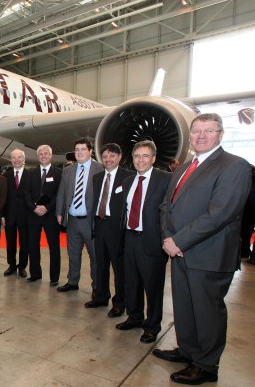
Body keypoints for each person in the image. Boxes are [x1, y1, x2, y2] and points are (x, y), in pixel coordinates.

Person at [154, 113, 251, 385]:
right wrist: (168, 238)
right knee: (185, 307)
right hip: (180, 251)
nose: (200, 136)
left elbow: (220, 213)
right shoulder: (185, 166)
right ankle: (187, 350)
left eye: (208, 130)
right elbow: (166, 206)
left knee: (207, 311)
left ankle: (206, 365)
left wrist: (179, 241)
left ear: (220, 134)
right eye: (196, 131)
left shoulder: (235, 166)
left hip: (208, 255)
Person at [115, 140, 170, 344]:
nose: (140, 160)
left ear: (153, 158)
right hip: (130, 239)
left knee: (153, 286)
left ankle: (152, 326)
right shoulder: (129, 181)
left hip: (152, 242)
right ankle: (134, 317)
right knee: (132, 283)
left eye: (145, 156)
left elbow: (170, 211)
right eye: (137, 156)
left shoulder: (165, 179)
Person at [86, 143, 133, 316]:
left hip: (117, 228)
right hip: (99, 224)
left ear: (119, 157)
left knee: (118, 268)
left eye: (112, 156)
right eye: (105, 156)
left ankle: (119, 303)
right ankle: (101, 296)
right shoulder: (97, 178)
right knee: (100, 264)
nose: (108, 159)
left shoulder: (128, 176)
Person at [56, 138, 103, 293]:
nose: (80, 152)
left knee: (95, 257)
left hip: (91, 222)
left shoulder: (100, 169)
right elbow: (61, 193)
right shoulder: (68, 170)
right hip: (72, 221)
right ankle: (72, 281)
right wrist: (59, 212)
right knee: (73, 254)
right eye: (77, 150)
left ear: (90, 151)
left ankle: (97, 286)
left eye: (83, 149)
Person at [24, 145, 62, 284]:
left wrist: (47, 207)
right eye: (40, 154)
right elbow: (26, 193)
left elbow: (59, 194)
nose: (43, 156)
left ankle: (54, 278)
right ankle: (35, 274)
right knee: (33, 245)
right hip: (33, 215)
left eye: (46, 153)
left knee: (54, 247)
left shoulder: (58, 173)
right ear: (38, 156)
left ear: (50, 156)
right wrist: (34, 208)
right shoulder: (31, 173)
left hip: (50, 215)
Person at [3, 149, 30, 278]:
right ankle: (12, 265)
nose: (16, 160)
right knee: (10, 242)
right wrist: (2, 215)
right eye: (14, 157)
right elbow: (2, 198)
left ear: (24, 160)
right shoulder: (6, 176)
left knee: (24, 243)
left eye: (19, 157)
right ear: (11, 160)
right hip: (9, 215)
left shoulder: (30, 175)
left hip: (25, 216)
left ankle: (22, 266)